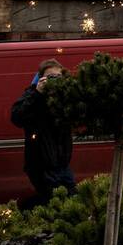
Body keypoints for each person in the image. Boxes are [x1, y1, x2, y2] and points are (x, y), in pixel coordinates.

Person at [10, 59, 74, 208]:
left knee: (71, 201)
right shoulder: (32, 94)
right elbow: (16, 117)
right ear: (41, 78)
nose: (54, 81)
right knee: (54, 204)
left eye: (58, 77)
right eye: (50, 77)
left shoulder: (63, 97)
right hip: (41, 166)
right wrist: (38, 93)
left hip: (62, 165)